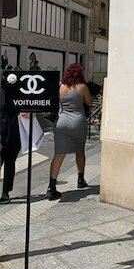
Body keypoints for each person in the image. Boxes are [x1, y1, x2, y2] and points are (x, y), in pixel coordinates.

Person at [46, 63, 93, 200]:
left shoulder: (60, 86)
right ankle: (80, 180)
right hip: (77, 122)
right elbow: (89, 102)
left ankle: (51, 187)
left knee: (59, 154)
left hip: (61, 122)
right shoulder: (82, 87)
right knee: (80, 151)